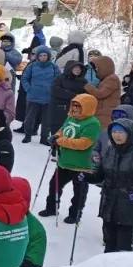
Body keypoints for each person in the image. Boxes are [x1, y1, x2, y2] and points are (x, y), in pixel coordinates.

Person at [85, 118, 133, 252]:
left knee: (125, 252)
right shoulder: (110, 150)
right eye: (114, 132)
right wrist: (87, 176)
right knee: (109, 248)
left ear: (130, 133)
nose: (117, 135)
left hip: (132, 211)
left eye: (121, 132)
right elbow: (101, 175)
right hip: (110, 208)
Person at [42, 94, 101, 224]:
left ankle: (75, 214)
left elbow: (84, 143)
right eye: (74, 105)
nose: (74, 108)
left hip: (81, 165)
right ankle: (51, 208)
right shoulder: (71, 118)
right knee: (54, 186)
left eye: (78, 106)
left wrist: (61, 141)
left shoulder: (93, 123)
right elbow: (62, 130)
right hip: (64, 162)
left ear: (87, 107)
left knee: (79, 192)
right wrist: (55, 137)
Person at [19, 46, 59, 143]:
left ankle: (44, 138)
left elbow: (58, 80)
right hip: (33, 97)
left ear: (48, 56)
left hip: (48, 98)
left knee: (47, 120)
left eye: (45, 55)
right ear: (37, 56)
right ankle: (27, 135)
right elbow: (24, 78)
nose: (43, 57)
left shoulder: (54, 67)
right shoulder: (32, 66)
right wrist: (29, 89)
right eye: (40, 55)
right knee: (29, 118)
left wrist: (53, 90)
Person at [84, 55, 121, 128]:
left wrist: (86, 85)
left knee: (103, 136)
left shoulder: (112, 79)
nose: (97, 70)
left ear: (104, 68)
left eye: (98, 68)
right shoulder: (106, 79)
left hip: (106, 115)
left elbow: (100, 94)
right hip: (102, 114)